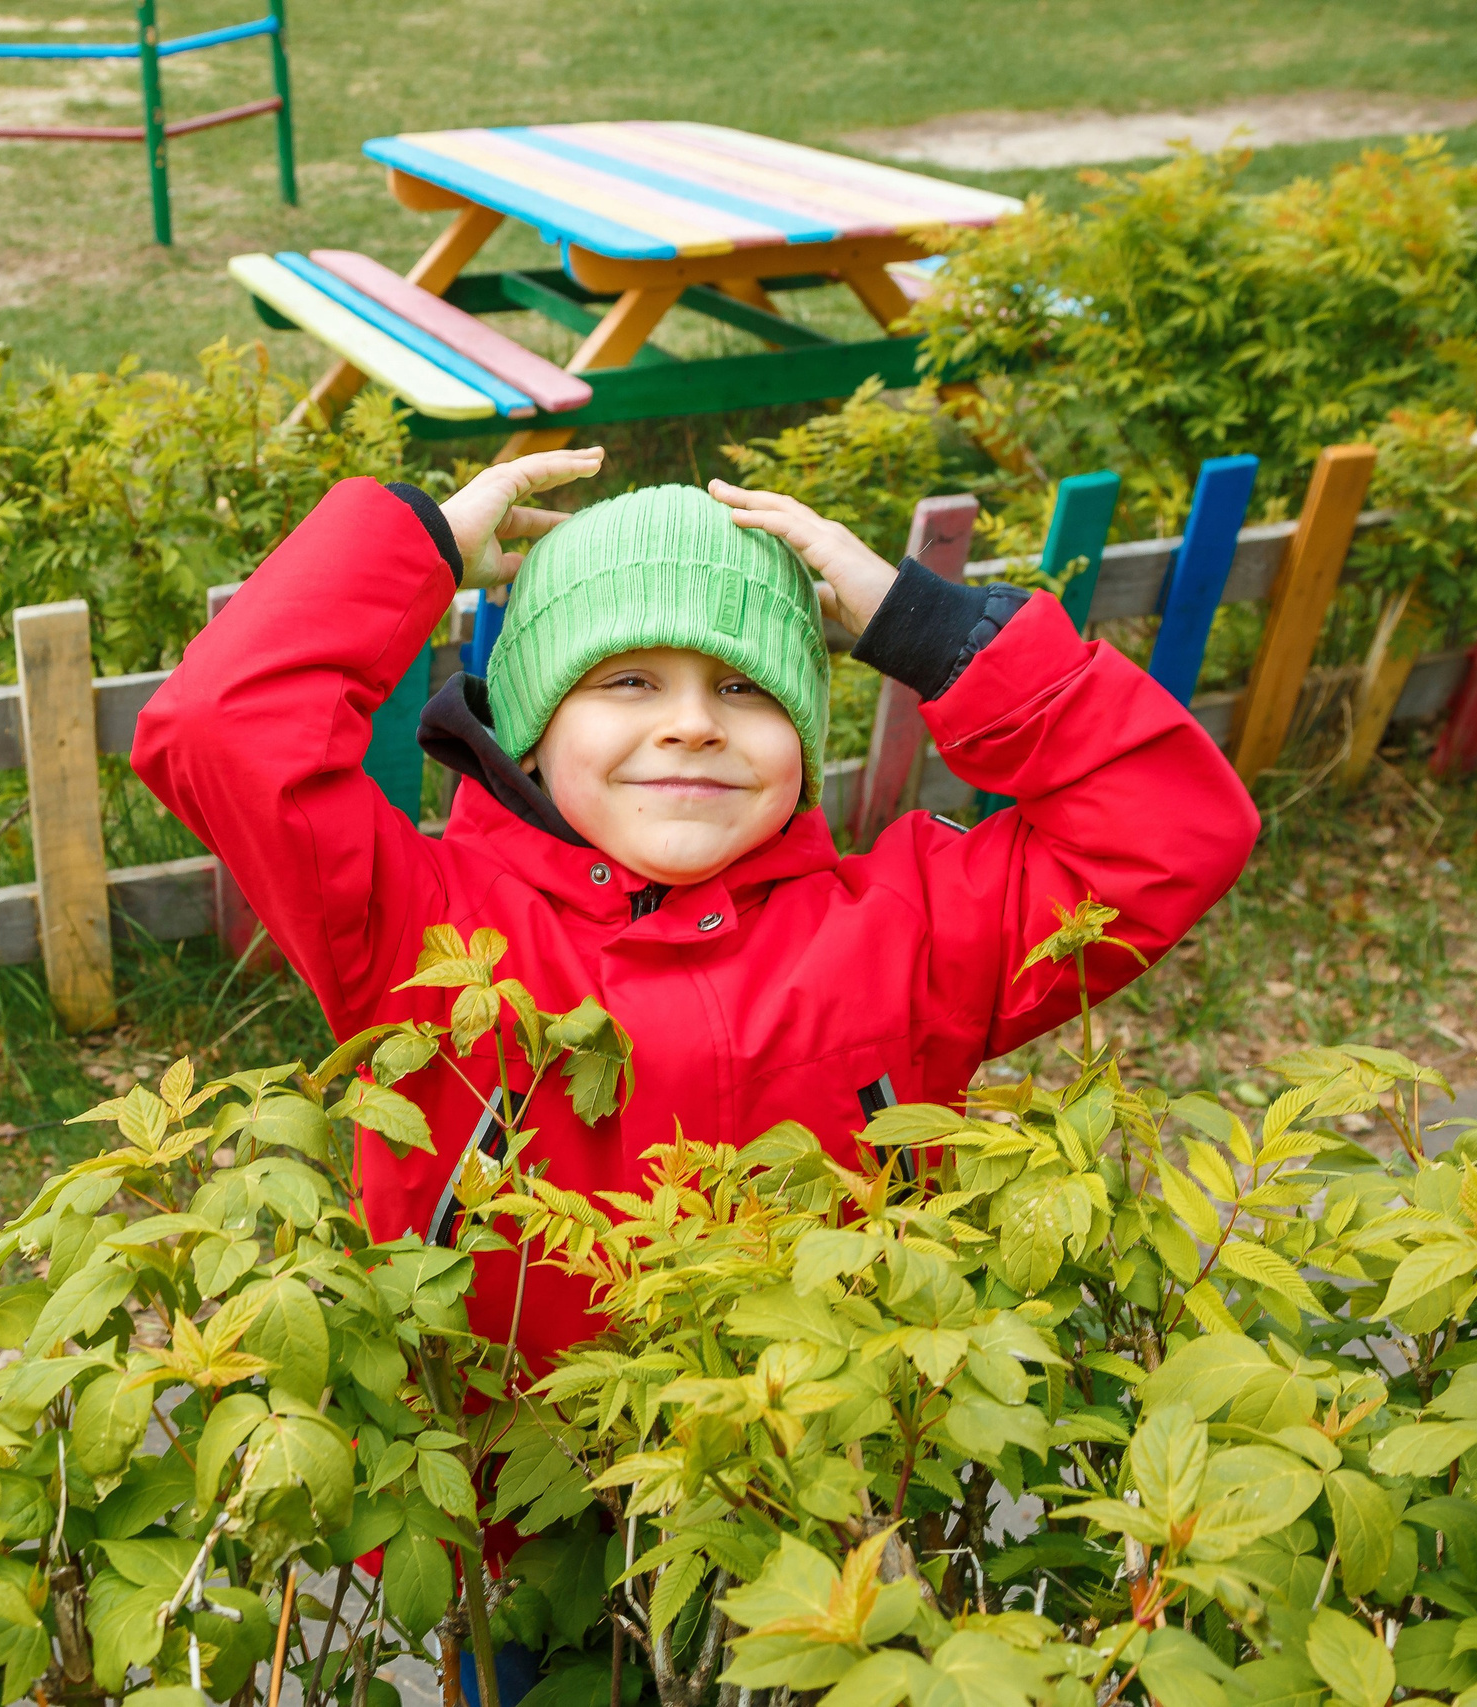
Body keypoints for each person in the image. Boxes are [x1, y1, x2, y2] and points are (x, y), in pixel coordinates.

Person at [132, 446, 1259, 1375]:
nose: (692, 726)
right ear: (526, 726)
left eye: (745, 687)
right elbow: (220, 731)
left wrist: (923, 629)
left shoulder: (904, 928)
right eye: (627, 682)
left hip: (824, 1503)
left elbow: (1169, 824)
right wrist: (414, 546)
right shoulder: (420, 930)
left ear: (805, 743)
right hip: (510, 1530)